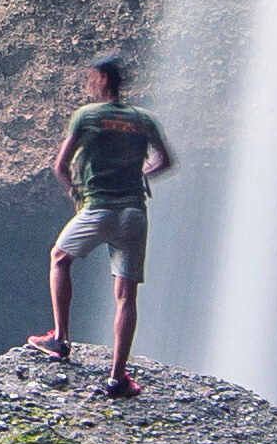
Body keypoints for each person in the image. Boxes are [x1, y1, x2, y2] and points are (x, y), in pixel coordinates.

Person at [26, 50, 174, 397]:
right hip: (134, 213)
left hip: (99, 208)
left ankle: (60, 339)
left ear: (104, 80)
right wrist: (141, 173)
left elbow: (61, 165)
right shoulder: (144, 119)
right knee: (126, 296)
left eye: (92, 78)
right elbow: (165, 160)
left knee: (60, 258)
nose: (89, 85)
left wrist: (76, 193)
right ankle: (117, 378)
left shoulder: (87, 116)